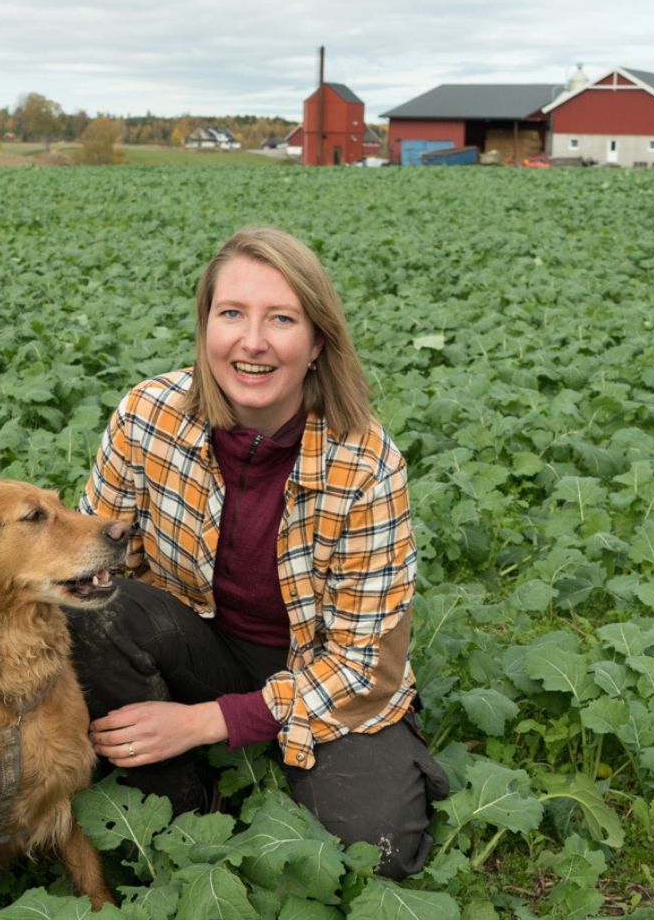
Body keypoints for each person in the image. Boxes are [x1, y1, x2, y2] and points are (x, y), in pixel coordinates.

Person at [68, 226, 448, 878]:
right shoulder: (147, 418)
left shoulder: (364, 464)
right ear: (205, 326)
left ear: (317, 341)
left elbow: (362, 664)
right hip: (196, 645)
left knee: (376, 851)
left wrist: (205, 724)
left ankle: (229, 749)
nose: (252, 342)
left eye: (281, 319)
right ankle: (182, 800)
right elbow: (83, 564)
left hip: (319, 671)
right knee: (88, 612)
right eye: (232, 314)